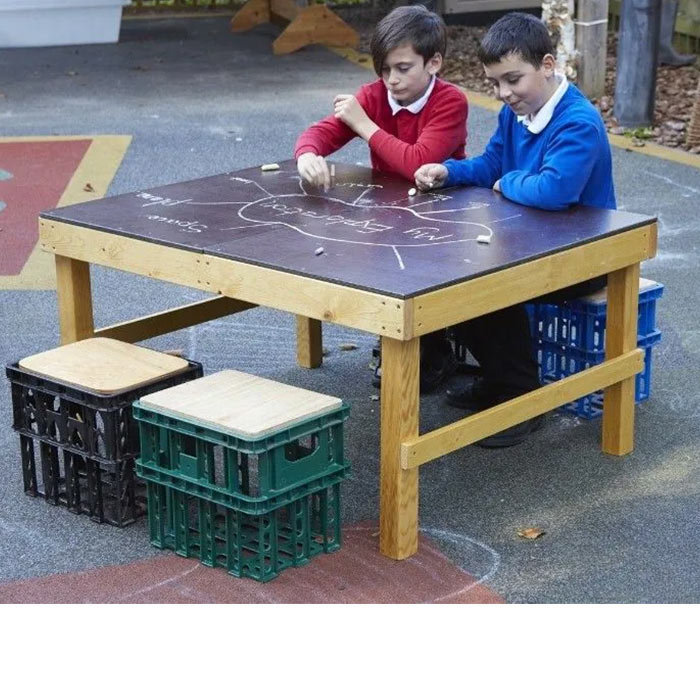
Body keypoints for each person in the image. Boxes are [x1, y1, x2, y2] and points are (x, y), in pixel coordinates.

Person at [414, 11, 616, 447]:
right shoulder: (518, 111)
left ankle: (522, 397)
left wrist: (508, 182)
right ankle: (499, 379)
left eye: (513, 79)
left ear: (546, 66)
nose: (504, 93)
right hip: (534, 240)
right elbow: (492, 163)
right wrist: (449, 171)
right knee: (451, 270)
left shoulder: (577, 121)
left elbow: (554, 190)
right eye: (495, 83)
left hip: (586, 254)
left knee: (488, 286)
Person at [294, 3, 468, 392]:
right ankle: (395, 343)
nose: (391, 79)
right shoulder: (373, 96)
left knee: (425, 278)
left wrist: (362, 123)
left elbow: (418, 163)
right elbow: (321, 133)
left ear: (433, 63)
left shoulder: (451, 101)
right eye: (384, 69)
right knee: (377, 265)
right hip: (391, 208)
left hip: (443, 209)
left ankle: (435, 347)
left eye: (403, 68)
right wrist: (307, 154)